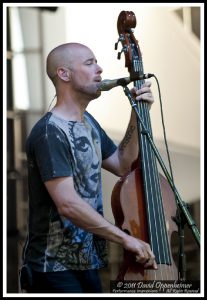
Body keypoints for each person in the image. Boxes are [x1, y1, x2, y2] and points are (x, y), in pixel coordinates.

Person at [19, 42, 157, 293]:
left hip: (86, 264)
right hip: (53, 269)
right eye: (89, 63)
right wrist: (125, 239)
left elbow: (121, 164)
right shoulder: (50, 132)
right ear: (64, 74)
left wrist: (138, 114)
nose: (100, 69)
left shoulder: (89, 122)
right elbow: (68, 204)